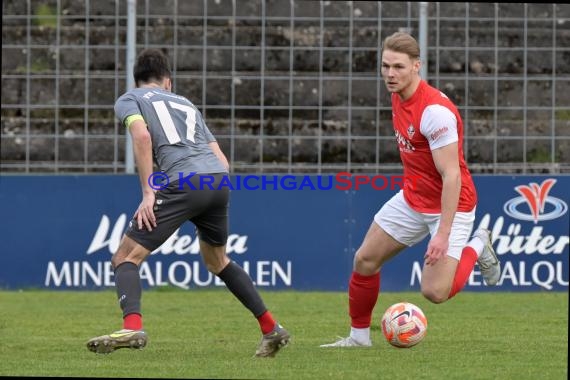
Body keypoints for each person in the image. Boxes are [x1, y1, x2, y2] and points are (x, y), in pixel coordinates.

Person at [86, 48, 290, 357]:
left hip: (183, 182)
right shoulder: (186, 103)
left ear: (137, 79)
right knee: (217, 261)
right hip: (218, 181)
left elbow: (142, 138)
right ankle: (271, 328)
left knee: (125, 257)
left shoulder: (130, 99)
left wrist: (148, 192)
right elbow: (222, 160)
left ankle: (132, 326)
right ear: (167, 81)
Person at [320, 32, 500, 348]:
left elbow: (451, 175)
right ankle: (359, 339)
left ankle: (477, 245)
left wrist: (442, 234)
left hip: (452, 204)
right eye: (386, 66)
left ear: (417, 66)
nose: (391, 74)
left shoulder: (435, 113)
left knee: (435, 292)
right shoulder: (397, 95)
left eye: (399, 67)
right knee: (365, 260)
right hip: (413, 198)